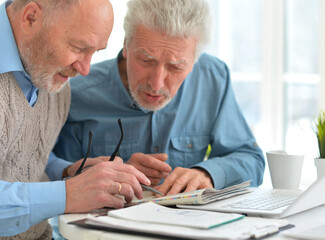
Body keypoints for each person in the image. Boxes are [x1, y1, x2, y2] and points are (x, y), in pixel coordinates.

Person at [54, 0, 265, 196]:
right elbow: (47, 171)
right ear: (126, 45)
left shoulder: (213, 78)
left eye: (175, 67)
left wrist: (208, 174)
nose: (156, 84)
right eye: (146, 60)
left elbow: (251, 160)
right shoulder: (75, 91)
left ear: (195, 60)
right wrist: (109, 175)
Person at [0, 0, 151, 239]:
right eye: (79, 48)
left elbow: (22, 154)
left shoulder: (54, 80)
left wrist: (69, 173)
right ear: (30, 18)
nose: (85, 69)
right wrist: (69, 194)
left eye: (96, 52)